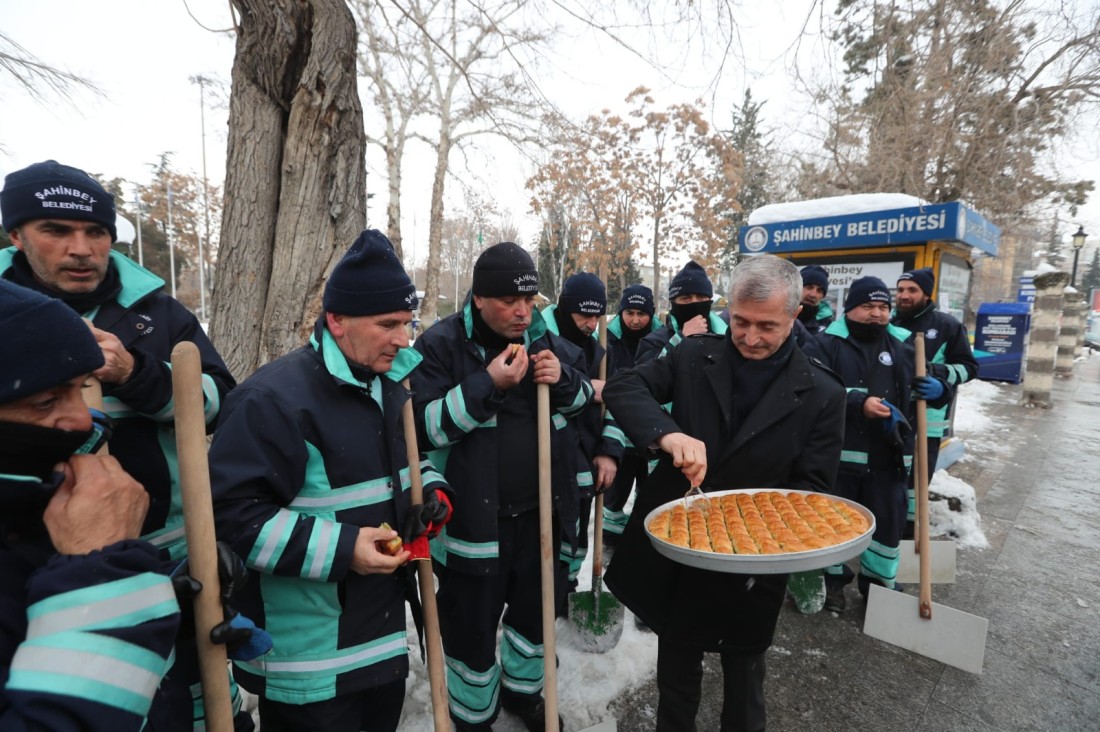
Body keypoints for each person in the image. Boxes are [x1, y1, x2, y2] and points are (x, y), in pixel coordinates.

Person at [0, 159, 244, 729]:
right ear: (16, 234)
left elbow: (219, 401)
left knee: (184, 701)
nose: (81, 249)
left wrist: (138, 374)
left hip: (166, 554)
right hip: (29, 566)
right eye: (55, 231)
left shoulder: (156, 313)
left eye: (96, 232)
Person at [209, 230, 451, 732]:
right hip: (310, 660)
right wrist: (345, 550)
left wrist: (431, 494)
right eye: (388, 324)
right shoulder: (272, 401)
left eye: (408, 323)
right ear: (337, 321)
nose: (404, 339)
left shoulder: (388, 388)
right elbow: (233, 518)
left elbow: (403, 466)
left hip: (380, 639)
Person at [603, 255, 846, 732]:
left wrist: (755, 546)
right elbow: (625, 385)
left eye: (767, 326)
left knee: (744, 673)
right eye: (740, 321)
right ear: (727, 309)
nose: (751, 337)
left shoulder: (822, 392)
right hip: (680, 547)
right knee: (675, 669)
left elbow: (813, 491)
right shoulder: (694, 355)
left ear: (795, 316)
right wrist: (667, 434)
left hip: (753, 562)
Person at [410, 242, 593, 731]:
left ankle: (524, 691)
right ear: (478, 299)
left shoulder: (543, 339)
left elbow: (584, 406)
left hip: (541, 514)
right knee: (471, 627)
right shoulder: (440, 346)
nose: (523, 312)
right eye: (511, 302)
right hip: (474, 522)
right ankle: (473, 715)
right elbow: (422, 430)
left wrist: (567, 382)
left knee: (536, 617)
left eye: (530, 302)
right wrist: (486, 383)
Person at [0, 279, 181, 730]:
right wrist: (99, 577)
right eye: (46, 401)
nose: (82, 419)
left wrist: (156, 603)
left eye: (80, 388)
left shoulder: (43, 499)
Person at [804, 276, 952, 612]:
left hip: (888, 459)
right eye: (868, 306)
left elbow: (930, 379)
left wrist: (938, 388)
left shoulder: (903, 347)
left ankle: (879, 588)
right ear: (850, 309)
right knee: (833, 526)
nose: (877, 313)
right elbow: (811, 388)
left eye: (883, 307)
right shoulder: (825, 344)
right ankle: (833, 583)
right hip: (838, 459)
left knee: (887, 528)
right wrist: (857, 402)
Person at [542, 273, 622, 592]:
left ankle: (568, 587)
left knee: (576, 535)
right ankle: (549, 589)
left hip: (588, 460)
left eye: (596, 316)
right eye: (583, 315)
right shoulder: (537, 340)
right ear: (564, 308)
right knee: (549, 535)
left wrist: (609, 450)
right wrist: (590, 390)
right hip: (548, 463)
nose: (590, 324)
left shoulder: (601, 350)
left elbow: (617, 401)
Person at [891, 267, 978, 535]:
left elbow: (968, 367)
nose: (904, 295)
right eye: (901, 290)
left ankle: (906, 542)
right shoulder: (888, 323)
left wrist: (940, 381)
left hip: (926, 423)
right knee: (888, 484)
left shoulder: (947, 326)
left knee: (914, 489)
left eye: (912, 290)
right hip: (893, 420)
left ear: (927, 294)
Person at [601, 284, 661, 546]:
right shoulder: (605, 339)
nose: (635, 320)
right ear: (621, 312)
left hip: (651, 433)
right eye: (630, 312)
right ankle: (610, 539)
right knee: (614, 495)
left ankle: (640, 538)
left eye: (642, 313)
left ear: (652, 313)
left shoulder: (662, 338)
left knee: (648, 492)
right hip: (617, 432)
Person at [635, 260, 728, 363]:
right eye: (686, 298)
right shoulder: (653, 341)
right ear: (673, 302)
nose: (694, 303)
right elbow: (648, 375)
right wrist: (680, 338)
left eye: (701, 297)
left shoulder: (729, 337)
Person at [796, 264, 834, 337]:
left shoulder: (829, 328)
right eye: (809, 287)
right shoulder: (780, 315)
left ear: (823, 296)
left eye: (819, 291)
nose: (813, 294)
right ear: (797, 288)